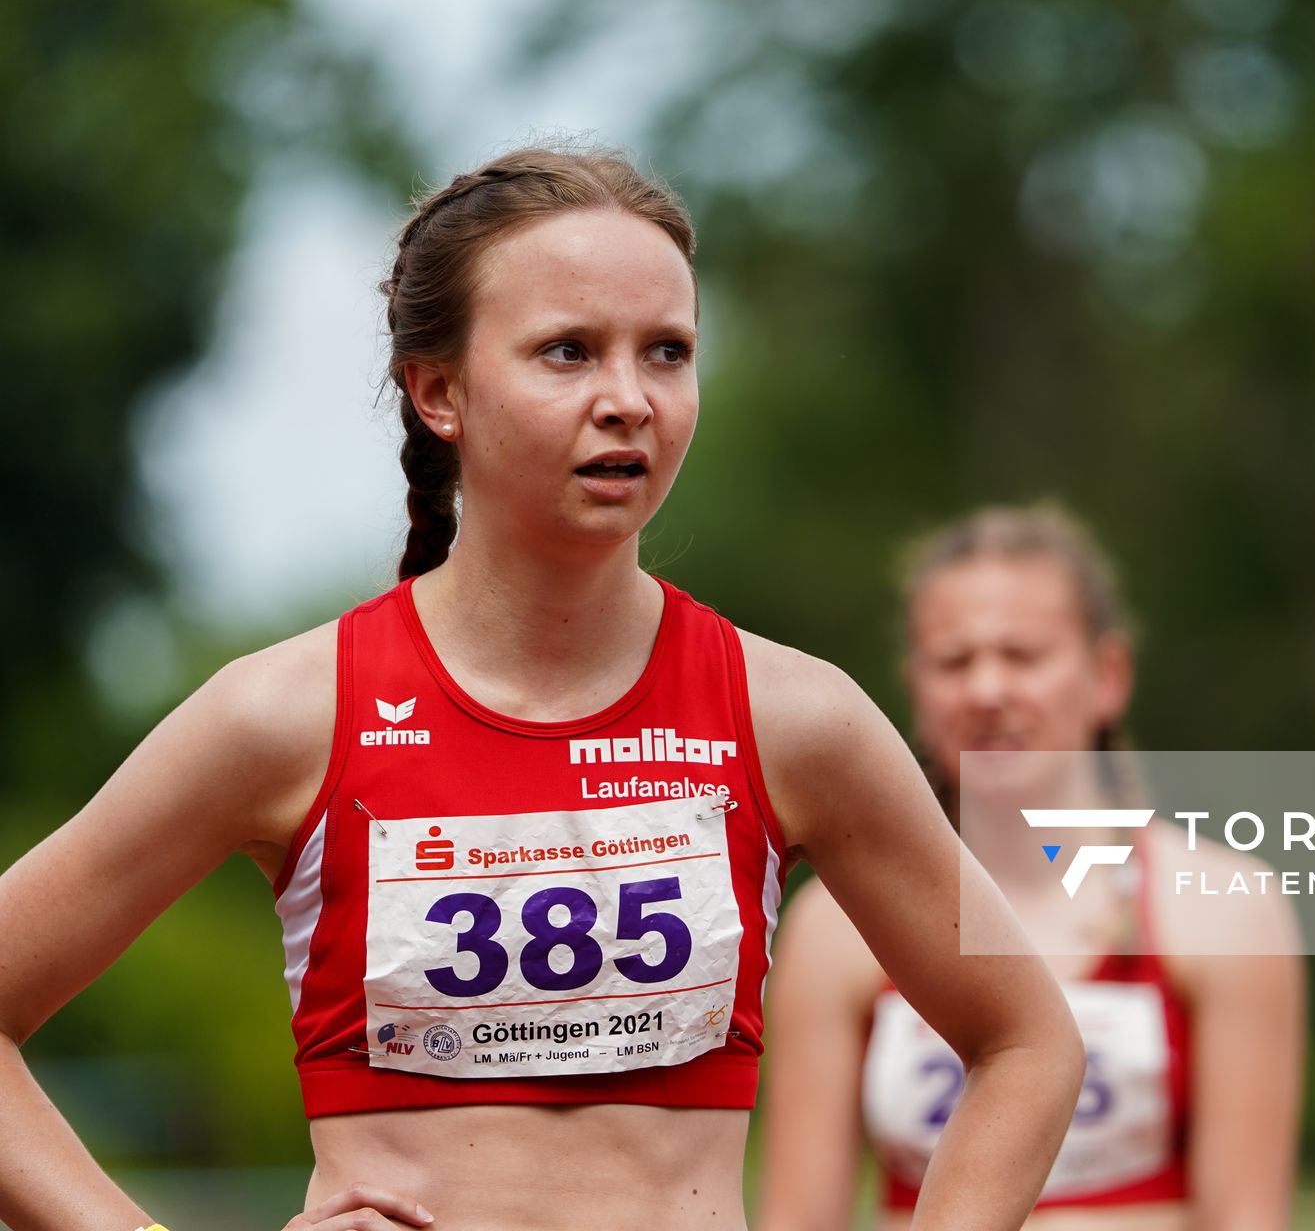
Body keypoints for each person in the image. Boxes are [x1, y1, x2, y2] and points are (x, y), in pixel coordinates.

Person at [0, 146, 1083, 1231]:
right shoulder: (285, 713)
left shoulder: (795, 716)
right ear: (439, 391)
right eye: (568, 352)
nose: (628, 399)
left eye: (667, 351)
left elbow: (1028, 1042)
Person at [757, 504, 1307, 1231]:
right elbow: (799, 1220)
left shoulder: (1226, 907)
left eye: (1024, 656)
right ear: (916, 687)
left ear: (1107, 676)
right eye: (955, 661)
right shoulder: (835, 929)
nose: (987, 691)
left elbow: (1246, 1218)